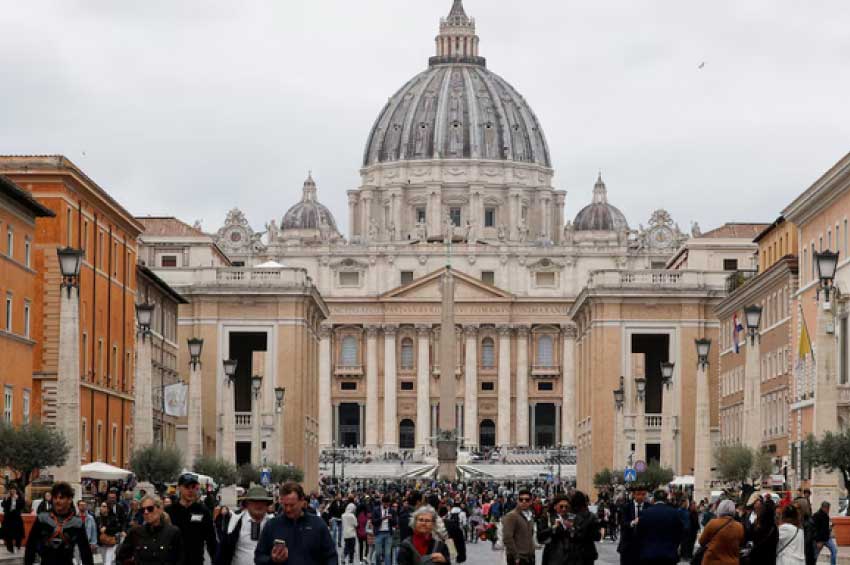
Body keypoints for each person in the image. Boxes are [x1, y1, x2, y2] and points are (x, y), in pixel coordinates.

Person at [255, 481, 337, 565]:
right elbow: (259, 557)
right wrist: (272, 560)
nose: (288, 509)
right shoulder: (272, 525)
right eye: (285, 505)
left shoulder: (318, 525)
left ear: (302, 501)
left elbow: (331, 556)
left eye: (292, 505)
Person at [24, 482, 94, 565]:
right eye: (55, 497)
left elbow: (85, 552)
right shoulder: (42, 518)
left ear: (69, 499)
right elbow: (30, 546)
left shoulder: (77, 523)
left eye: (61, 498)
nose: (57, 501)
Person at [165, 472, 217, 565]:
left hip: (196, 561)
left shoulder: (203, 511)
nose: (190, 490)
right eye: (187, 487)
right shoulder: (169, 511)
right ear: (179, 488)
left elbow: (211, 540)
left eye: (193, 487)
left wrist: (216, 560)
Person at [117, 494, 183, 565]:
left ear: (160, 509)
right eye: (142, 510)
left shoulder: (173, 532)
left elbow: (180, 559)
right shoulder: (135, 532)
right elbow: (120, 558)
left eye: (150, 509)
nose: (146, 512)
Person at [216, 486, 274, 565]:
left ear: (267, 504)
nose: (259, 505)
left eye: (262, 501)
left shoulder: (273, 523)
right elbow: (223, 551)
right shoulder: (235, 521)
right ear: (247, 504)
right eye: (254, 501)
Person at [635, 490, 682, 565]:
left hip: (649, 554)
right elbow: (679, 534)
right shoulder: (674, 513)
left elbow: (639, 534)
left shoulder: (645, 513)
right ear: (666, 500)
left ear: (654, 500)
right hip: (669, 555)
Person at [697, 499, 745, 565]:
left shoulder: (712, 523)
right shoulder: (739, 526)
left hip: (712, 561)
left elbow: (701, 542)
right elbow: (740, 543)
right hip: (732, 562)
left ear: (720, 509)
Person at [565, 490, 601, 565]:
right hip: (587, 554)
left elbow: (568, 535)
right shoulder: (592, 517)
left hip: (573, 554)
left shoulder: (570, 516)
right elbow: (597, 537)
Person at [502, 488, 536, 565]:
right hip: (518, 558)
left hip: (529, 557)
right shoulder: (512, 516)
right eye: (521, 499)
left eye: (527, 500)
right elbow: (507, 538)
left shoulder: (530, 515)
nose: (524, 502)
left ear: (531, 501)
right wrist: (516, 556)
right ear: (517, 500)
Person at [537, 495, 571, 565]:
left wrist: (572, 528)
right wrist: (553, 527)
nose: (564, 509)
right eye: (561, 506)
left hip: (569, 557)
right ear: (555, 506)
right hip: (553, 557)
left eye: (566, 506)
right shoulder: (547, 517)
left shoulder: (571, 518)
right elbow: (540, 536)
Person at [618, 487, 647, 565]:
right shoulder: (626, 507)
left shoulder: (649, 508)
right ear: (634, 495)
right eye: (638, 494)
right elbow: (623, 523)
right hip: (628, 546)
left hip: (644, 547)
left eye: (643, 494)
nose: (641, 497)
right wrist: (633, 522)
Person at [748, 498, 778, 565]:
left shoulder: (757, 526)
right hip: (770, 558)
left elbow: (750, 537)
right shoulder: (774, 527)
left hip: (757, 558)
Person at [371, 494, 397, 565]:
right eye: (385, 503)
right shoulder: (376, 509)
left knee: (387, 554)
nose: (386, 505)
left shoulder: (392, 510)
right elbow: (373, 522)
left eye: (388, 503)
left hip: (388, 533)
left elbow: (395, 523)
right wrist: (382, 518)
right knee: (378, 553)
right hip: (379, 533)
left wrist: (391, 519)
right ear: (382, 502)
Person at [96, 501, 122, 565]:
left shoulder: (113, 518)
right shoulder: (98, 518)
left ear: (108, 508)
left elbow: (117, 529)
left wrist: (106, 529)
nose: (101, 508)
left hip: (110, 541)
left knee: (108, 562)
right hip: (101, 542)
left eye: (104, 506)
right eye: (101, 506)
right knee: (103, 561)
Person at [1, 486, 25, 553]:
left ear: (16, 490)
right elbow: (3, 505)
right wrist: (6, 498)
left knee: (18, 533)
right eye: (11, 490)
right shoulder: (7, 497)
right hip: (8, 518)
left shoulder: (19, 497)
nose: (13, 491)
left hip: (16, 518)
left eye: (14, 490)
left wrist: (17, 499)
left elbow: (22, 505)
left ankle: (18, 545)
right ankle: (10, 547)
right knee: (8, 534)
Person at [76, 499, 98, 564]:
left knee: (87, 561)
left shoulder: (91, 518)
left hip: (88, 543)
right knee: (77, 561)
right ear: (78, 506)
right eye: (81, 505)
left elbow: (94, 531)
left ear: (86, 506)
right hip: (77, 543)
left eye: (84, 505)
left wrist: (94, 543)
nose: (83, 506)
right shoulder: (75, 518)